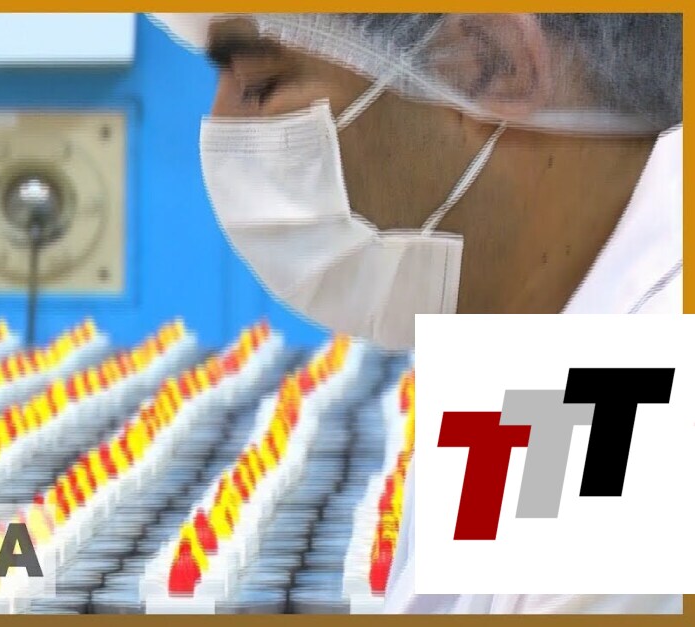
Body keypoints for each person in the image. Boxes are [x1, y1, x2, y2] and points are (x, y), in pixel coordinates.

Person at [150, 13, 682, 614]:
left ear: (490, 62)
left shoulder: (649, 433)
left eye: (260, 84)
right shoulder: (523, 342)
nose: (219, 128)